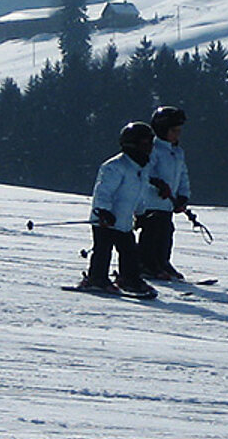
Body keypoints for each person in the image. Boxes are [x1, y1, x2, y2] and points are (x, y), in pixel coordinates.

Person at [77, 122, 159, 298]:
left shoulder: (142, 168)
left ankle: (130, 279)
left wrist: (141, 213)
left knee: (130, 251)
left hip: (124, 221)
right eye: (145, 144)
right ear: (132, 145)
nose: (150, 148)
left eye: (151, 144)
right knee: (103, 249)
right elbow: (103, 191)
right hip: (106, 220)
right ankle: (97, 278)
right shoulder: (115, 166)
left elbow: (139, 194)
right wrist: (104, 211)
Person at [137, 104, 192, 281]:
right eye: (174, 130)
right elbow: (143, 172)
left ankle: (162, 262)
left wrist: (183, 195)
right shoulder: (152, 149)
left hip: (168, 203)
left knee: (166, 231)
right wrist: (157, 183)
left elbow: (182, 175)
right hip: (150, 201)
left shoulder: (177, 152)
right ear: (161, 130)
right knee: (151, 232)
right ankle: (146, 264)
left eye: (179, 131)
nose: (177, 134)